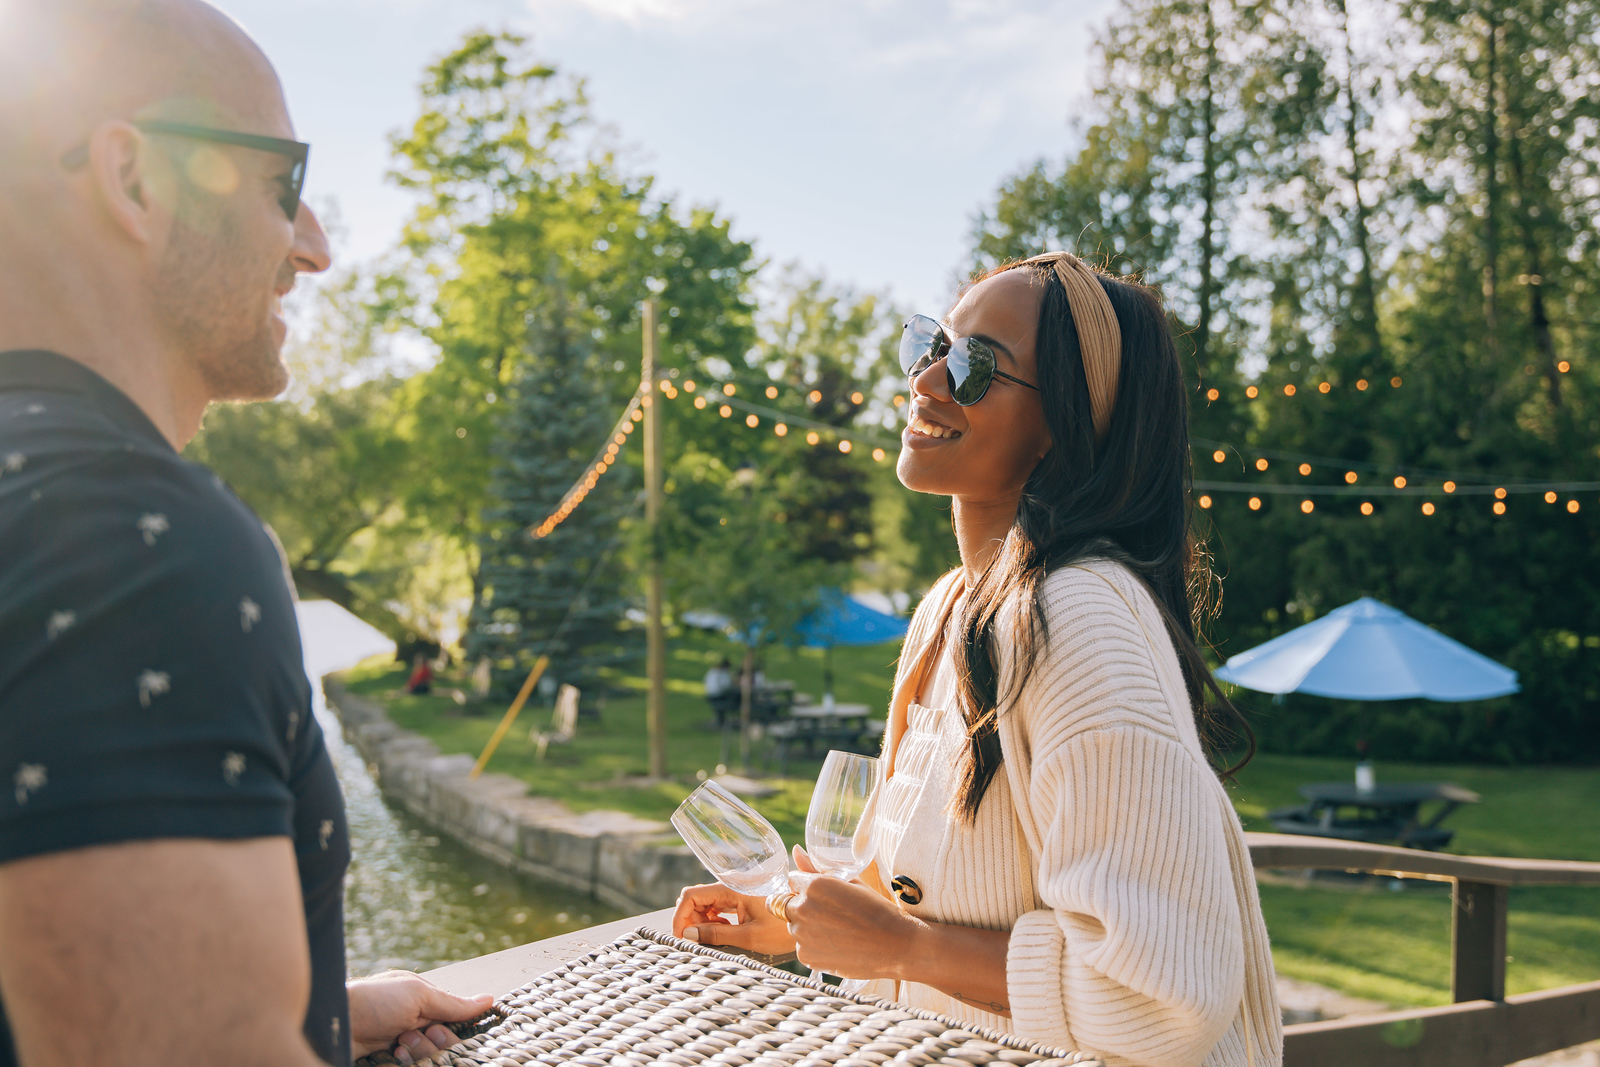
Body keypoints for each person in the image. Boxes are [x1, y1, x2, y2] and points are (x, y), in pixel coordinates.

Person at [0, 3, 492, 1065]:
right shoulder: (137, 538)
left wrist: (313, 1018)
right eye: (283, 186)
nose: (312, 246)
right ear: (135, 182)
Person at [673, 254, 1283, 1067]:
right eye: (933, 345)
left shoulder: (1078, 617)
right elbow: (936, 895)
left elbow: (1164, 998)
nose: (927, 380)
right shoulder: (948, 609)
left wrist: (904, 951)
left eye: (974, 366)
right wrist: (797, 921)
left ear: (1065, 423)